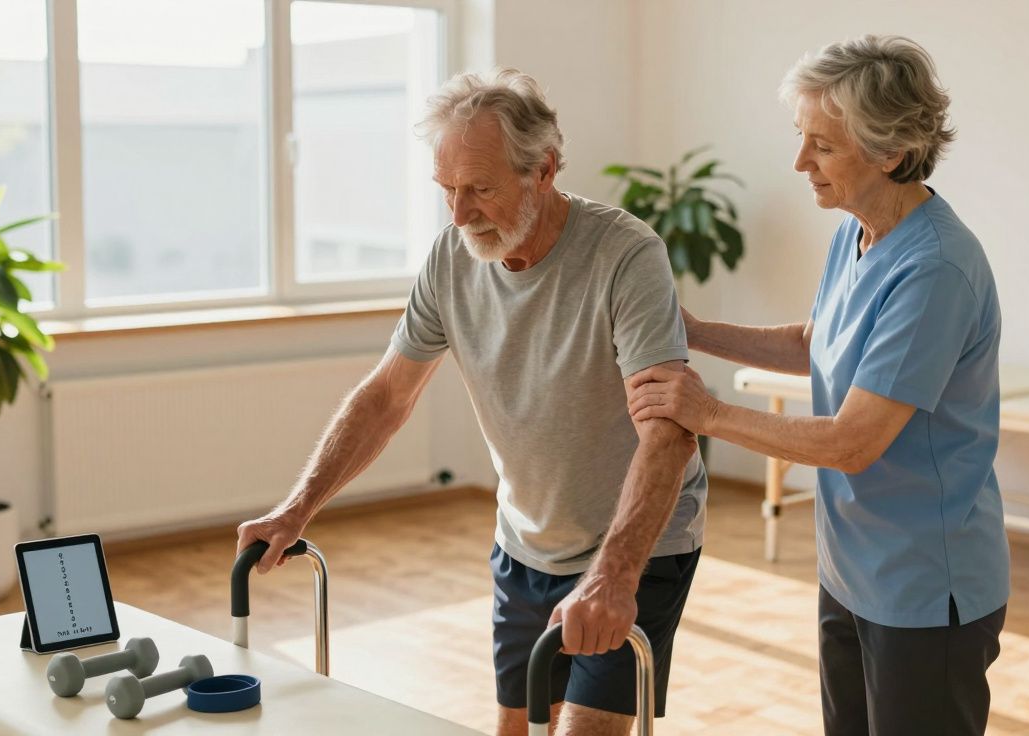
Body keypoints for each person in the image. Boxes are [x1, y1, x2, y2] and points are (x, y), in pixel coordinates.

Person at [236, 69, 706, 736]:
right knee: (515, 725)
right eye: (447, 191)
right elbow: (386, 397)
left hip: (637, 544)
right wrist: (296, 507)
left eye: (480, 189)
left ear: (542, 169)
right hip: (526, 541)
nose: (459, 215)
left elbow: (669, 432)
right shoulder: (450, 259)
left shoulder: (625, 255)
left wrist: (614, 578)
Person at [628, 36, 1009, 736]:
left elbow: (853, 441)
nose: (800, 163)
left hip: (925, 587)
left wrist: (705, 410)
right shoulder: (859, 232)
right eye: (801, 139)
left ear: (890, 152)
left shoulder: (936, 269)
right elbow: (814, 343)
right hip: (853, 570)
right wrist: (692, 331)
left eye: (822, 147)